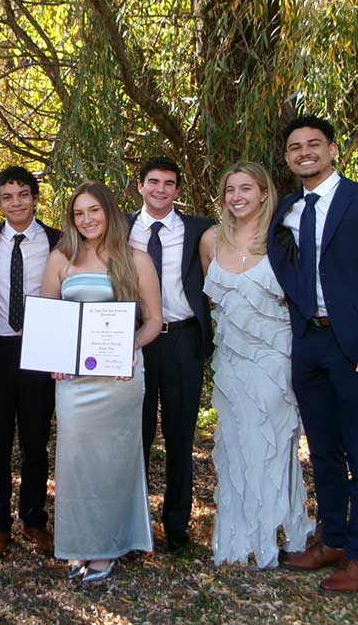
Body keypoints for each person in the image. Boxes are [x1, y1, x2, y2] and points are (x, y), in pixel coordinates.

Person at [267, 115, 358, 593]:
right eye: (295, 147)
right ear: (286, 159)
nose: (304, 152)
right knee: (322, 449)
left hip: (354, 346)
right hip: (307, 343)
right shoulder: (285, 209)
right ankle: (334, 540)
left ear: (332, 149)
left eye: (313, 144)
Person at [42, 180, 163, 583]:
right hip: (75, 382)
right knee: (76, 463)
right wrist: (55, 358)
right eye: (79, 213)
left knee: (114, 461)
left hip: (119, 378)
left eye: (94, 210)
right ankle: (81, 544)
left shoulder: (136, 259)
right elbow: (48, 319)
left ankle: (110, 544)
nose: (87, 219)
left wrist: (131, 346)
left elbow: (154, 322)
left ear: (109, 213)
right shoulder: (61, 257)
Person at [199, 162, 315, 568]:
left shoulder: (283, 241)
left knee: (273, 441)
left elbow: (302, 296)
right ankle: (241, 533)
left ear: (264, 193)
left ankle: (274, 534)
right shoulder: (211, 241)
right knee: (236, 442)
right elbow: (214, 304)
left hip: (274, 357)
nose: (237, 196)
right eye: (230, 189)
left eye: (246, 188)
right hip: (229, 359)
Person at [0, 166, 60, 561]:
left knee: (36, 441)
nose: (16, 202)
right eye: (7, 196)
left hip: (41, 350)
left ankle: (34, 519)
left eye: (23, 194)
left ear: (35, 197)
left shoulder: (58, 241)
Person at [126, 157, 215, 552]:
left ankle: (177, 525)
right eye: (153, 182)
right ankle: (134, 525)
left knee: (180, 435)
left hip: (183, 340)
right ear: (140, 187)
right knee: (137, 435)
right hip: (135, 340)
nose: (160, 189)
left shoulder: (200, 230)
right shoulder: (120, 229)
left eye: (169, 184)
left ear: (178, 191)